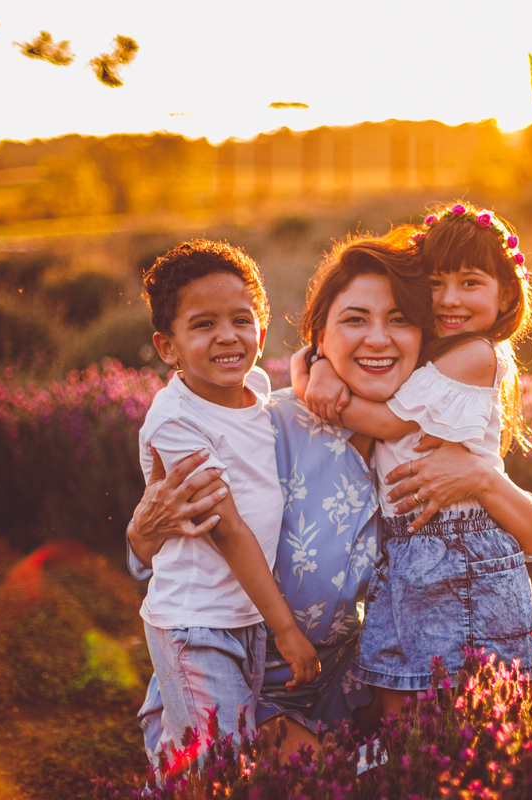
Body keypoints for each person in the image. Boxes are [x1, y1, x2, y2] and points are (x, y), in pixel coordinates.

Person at [126, 231, 532, 764]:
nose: (378, 339)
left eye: (399, 320)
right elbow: (163, 556)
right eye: (354, 320)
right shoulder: (267, 425)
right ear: (319, 335)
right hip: (249, 693)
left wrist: (484, 479)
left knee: (457, 758)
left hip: (354, 684)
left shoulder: (424, 436)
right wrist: (140, 535)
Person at [295, 203, 532, 718]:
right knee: (401, 721)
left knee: (475, 719)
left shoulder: (476, 354)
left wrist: (309, 379)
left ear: (506, 297)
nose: (450, 299)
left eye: (470, 283)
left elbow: (387, 422)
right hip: (406, 556)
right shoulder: (431, 356)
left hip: (461, 554)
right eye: (435, 283)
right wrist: (321, 360)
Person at [134, 239, 319, 761]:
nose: (227, 337)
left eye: (241, 320)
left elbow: (284, 382)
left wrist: (312, 369)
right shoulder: (177, 421)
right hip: (196, 619)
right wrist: (286, 629)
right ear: (167, 347)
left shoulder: (253, 388)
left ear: (261, 331)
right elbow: (228, 528)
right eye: (203, 324)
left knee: (211, 749)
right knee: (220, 763)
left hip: (242, 618)